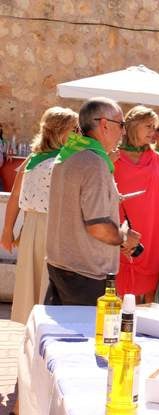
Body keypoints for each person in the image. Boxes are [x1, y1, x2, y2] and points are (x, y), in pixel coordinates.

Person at [45, 97, 141, 305]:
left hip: (61, 266)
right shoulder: (93, 162)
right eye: (121, 125)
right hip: (87, 273)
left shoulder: (69, 154)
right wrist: (124, 238)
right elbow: (98, 227)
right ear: (105, 124)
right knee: (89, 337)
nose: (123, 132)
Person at [1, 107, 78, 324]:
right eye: (74, 129)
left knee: (45, 281)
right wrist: (7, 231)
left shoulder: (65, 158)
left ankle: (43, 328)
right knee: (32, 280)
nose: (78, 134)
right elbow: (15, 196)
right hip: (36, 226)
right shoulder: (38, 158)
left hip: (49, 226)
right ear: (59, 131)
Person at [114, 105, 159, 303]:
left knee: (151, 298)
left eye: (154, 127)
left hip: (154, 234)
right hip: (123, 235)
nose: (153, 132)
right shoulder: (113, 158)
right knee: (117, 297)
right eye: (148, 126)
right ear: (132, 126)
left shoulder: (157, 158)